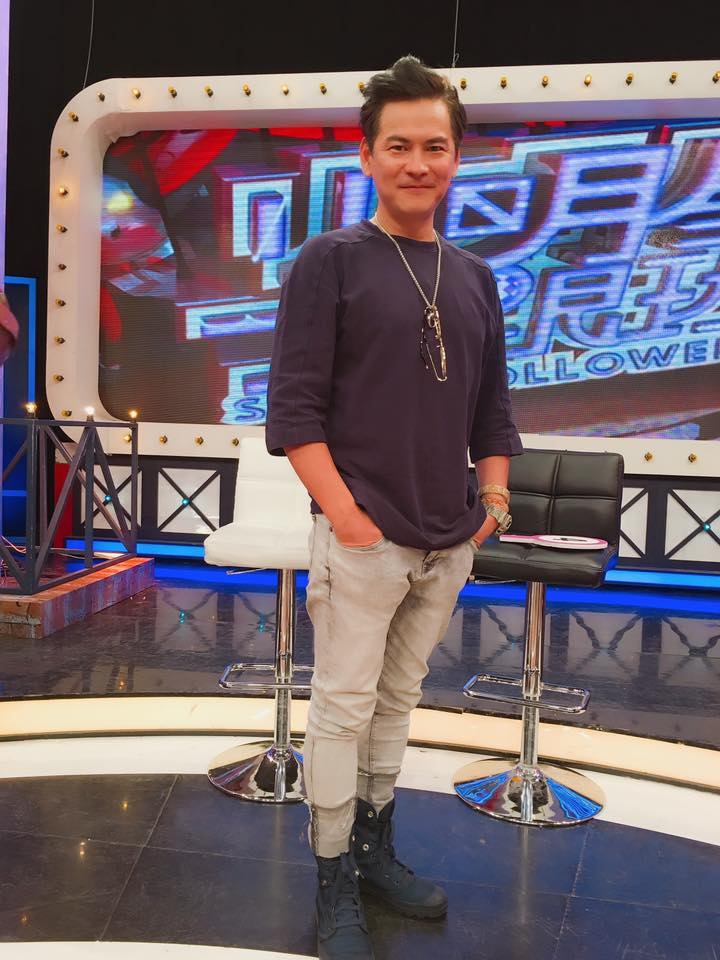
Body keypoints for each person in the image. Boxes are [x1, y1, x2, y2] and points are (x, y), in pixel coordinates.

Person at [266, 55, 523, 960]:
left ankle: (375, 852)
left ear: (457, 155)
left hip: (449, 537)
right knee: (342, 709)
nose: (419, 163)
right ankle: (333, 871)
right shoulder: (329, 260)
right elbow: (294, 412)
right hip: (363, 536)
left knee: (397, 703)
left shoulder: (475, 274)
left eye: (435, 147)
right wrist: (348, 518)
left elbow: (493, 407)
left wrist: (492, 499)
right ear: (367, 155)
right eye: (400, 146)